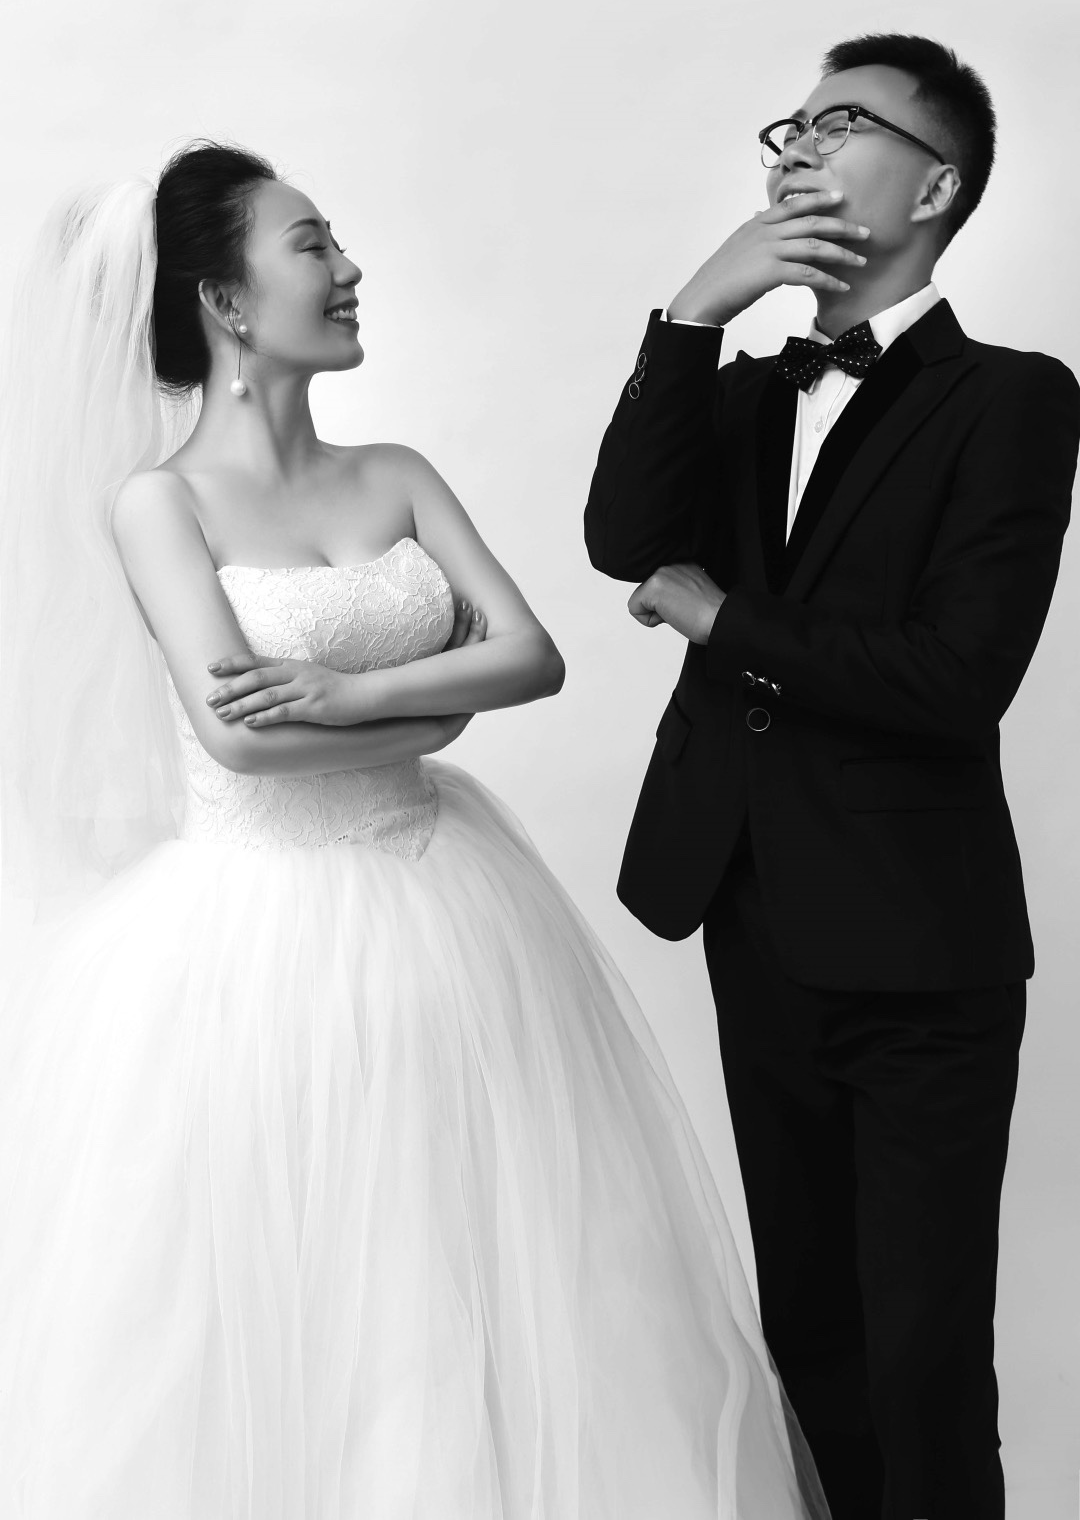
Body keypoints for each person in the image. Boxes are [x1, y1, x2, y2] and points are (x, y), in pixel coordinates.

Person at [0, 142, 830, 1519]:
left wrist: (351, 696)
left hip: (452, 912)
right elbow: (240, 738)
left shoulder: (395, 472)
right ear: (224, 301)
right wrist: (432, 711)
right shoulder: (160, 502)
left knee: (487, 1263)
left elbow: (532, 655)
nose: (349, 267)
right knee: (292, 1287)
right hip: (254, 946)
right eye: (311, 244)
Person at [584, 33, 1080, 1519]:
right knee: (810, 1333)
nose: (798, 147)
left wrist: (721, 618)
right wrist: (694, 312)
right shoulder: (739, 394)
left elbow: (955, 677)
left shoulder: (1013, 398)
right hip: (752, 911)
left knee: (922, 1359)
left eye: (843, 123)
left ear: (934, 188)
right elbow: (622, 538)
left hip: (922, 950)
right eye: (788, 128)